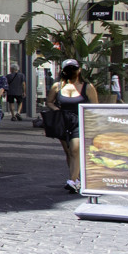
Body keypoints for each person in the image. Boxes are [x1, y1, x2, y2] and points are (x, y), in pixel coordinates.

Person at [46, 60, 100, 194]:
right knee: (69, 152)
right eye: (68, 69)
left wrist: (92, 122)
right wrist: (57, 110)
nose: (72, 71)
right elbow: (49, 102)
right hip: (63, 121)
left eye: (74, 69)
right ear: (64, 71)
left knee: (75, 149)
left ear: (79, 70)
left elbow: (95, 106)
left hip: (79, 121)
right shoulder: (57, 86)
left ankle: (72, 180)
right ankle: (77, 179)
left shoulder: (87, 87)